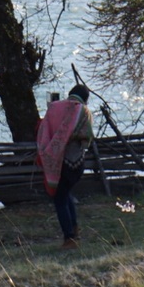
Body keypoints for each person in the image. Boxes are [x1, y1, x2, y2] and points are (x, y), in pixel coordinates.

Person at [36, 84, 94, 248]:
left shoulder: (54, 107)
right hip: (76, 162)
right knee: (66, 193)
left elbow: (44, 131)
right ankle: (74, 229)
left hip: (57, 161)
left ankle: (69, 237)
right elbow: (87, 138)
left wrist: (51, 147)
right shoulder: (83, 111)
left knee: (60, 198)